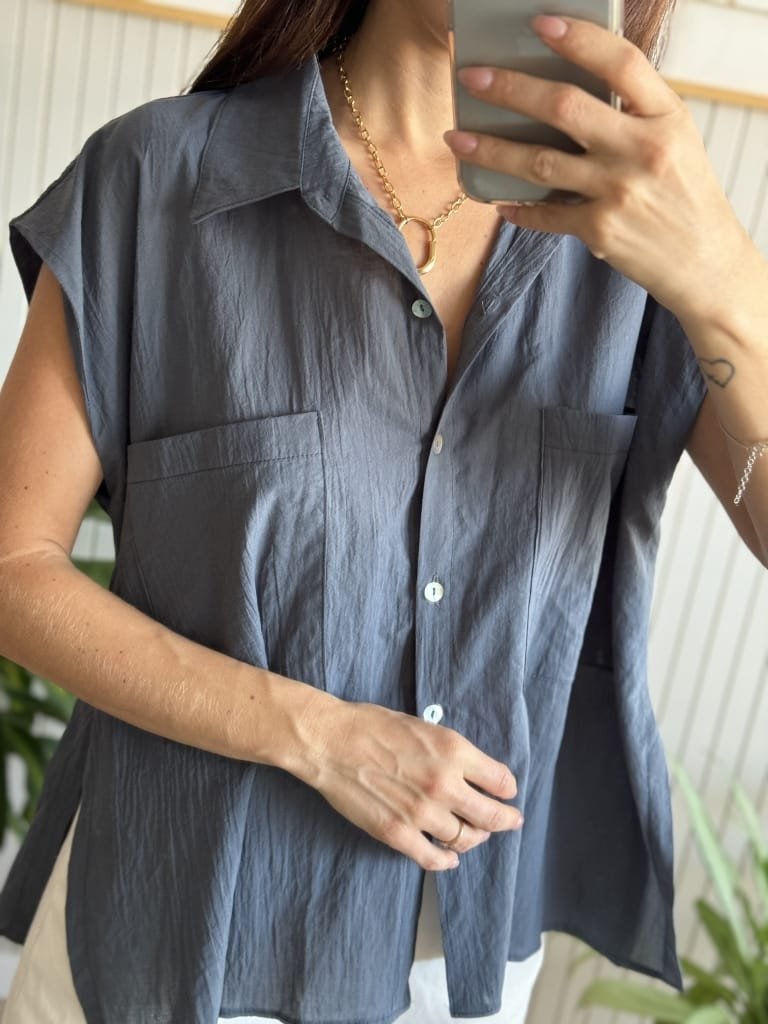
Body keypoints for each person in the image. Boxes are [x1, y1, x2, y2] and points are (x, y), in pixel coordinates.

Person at [0, 0, 766, 1021]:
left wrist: (726, 280)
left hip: (461, 959)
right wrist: (319, 738)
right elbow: (12, 568)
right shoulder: (157, 183)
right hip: (181, 929)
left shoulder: (644, 232)